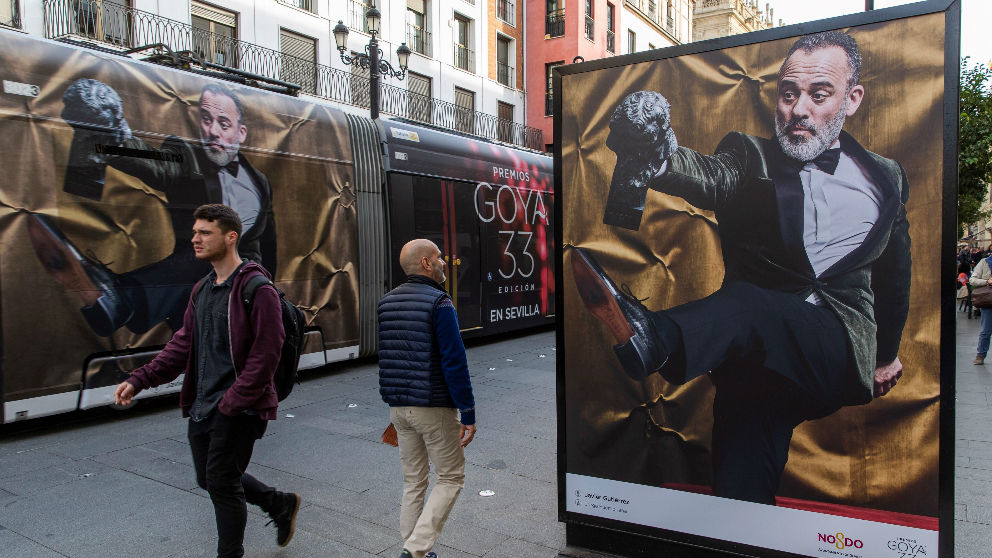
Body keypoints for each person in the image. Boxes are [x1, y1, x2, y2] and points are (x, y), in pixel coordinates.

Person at [571, 31, 911, 505]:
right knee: (740, 490)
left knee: (751, 305)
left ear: (852, 99)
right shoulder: (751, 157)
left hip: (833, 347)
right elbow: (711, 175)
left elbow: (895, 273)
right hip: (754, 367)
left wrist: (886, 354)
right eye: (789, 94)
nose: (798, 109)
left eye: (819, 94)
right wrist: (654, 151)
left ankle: (659, 338)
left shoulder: (885, 178)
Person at [113, 204, 299, 558]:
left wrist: (234, 402)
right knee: (209, 479)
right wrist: (140, 379)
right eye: (195, 232)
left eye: (204, 232)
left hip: (238, 407)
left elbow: (267, 353)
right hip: (202, 403)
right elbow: (182, 345)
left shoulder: (257, 288)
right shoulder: (202, 289)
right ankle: (279, 503)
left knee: (223, 483)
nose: (195, 239)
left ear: (231, 237)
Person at [28, 80, 276, 337]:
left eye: (223, 124)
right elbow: (157, 164)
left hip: (244, 291)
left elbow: (267, 244)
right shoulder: (186, 155)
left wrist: (271, 298)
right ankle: (119, 299)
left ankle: (119, 300)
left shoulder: (260, 181)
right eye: (205, 119)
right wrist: (114, 136)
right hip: (195, 289)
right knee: (205, 255)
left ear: (241, 132)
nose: (212, 131)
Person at [378, 239, 477, 558]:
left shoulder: (386, 302)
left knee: (414, 481)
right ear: (425, 264)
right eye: (439, 258)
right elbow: (453, 360)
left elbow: (391, 357)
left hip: (398, 408)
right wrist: (468, 410)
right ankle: (416, 547)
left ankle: (414, 548)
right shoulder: (439, 303)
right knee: (451, 477)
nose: (444, 262)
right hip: (432, 407)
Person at [970, 254, 992, 364]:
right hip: (988, 301)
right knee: (986, 331)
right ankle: (980, 355)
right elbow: (972, 280)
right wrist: (987, 281)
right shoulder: (985, 262)